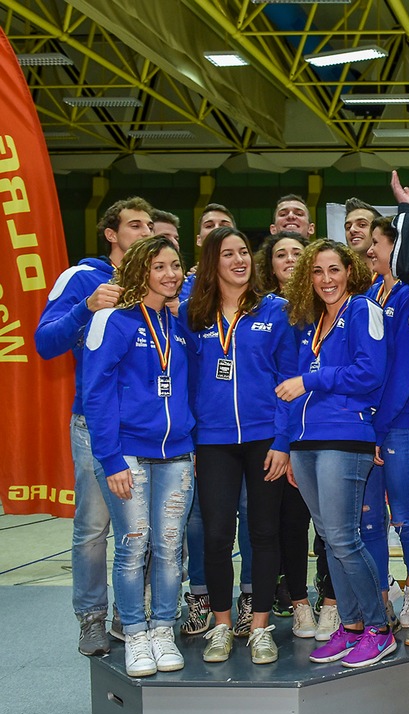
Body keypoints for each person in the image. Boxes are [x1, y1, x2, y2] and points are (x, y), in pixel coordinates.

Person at [36, 196, 154, 654]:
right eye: (135, 225)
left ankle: (132, 615)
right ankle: (91, 618)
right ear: (111, 233)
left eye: (149, 225)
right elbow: (45, 342)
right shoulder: (83, 277)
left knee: (145, 528)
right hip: (94, 424)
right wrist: (86, 307)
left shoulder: (161, 281)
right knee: (93, 527)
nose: (145, 232)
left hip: (149, 427)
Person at [181, 227, 296, 665]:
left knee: (264, 533)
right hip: (212, 441)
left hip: (265, 437)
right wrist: (191, 441)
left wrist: (283, 441)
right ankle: (222, 625)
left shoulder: (277, 311)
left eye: (244, 252)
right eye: (227, 254)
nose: (238, 260)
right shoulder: (194, 315)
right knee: (214, 535)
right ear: (213, 262)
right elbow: (187, 383)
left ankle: (261, 627)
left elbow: (288, 381)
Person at [277, 240, 393, 668]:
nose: (326, 279)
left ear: (349, 272)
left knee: (344, 538)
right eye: (317, 272)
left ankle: (379, 629)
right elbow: (294, 391)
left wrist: (311, 380)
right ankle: (352, 625)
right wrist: (289, 444)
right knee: (329, 539)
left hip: (345, 437)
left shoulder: (363, 310)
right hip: (306, 442)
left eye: (334, 270)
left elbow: (370, 373)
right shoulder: (311, 324)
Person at [82, 234, 194, 677]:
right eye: (161, 266)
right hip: (127, 454)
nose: (171, 274)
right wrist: (109, 459)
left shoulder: (180, 324)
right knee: (132, 548)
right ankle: (135, 631)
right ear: (141, 272)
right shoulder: (113, 321)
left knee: (169, 549)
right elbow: (95, 394)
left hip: (178, 455)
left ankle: (163, 628)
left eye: (176, 265)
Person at [366, 215, 409, 645]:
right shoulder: (371, 293)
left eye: (377, 242)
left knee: (407, 517)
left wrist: (378, 426)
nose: (369, 250)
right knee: (369, 522)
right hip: (369, 425)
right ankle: (380, 605)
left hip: (399, 421)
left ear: (398, 246)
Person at [253, 231, 318, 638]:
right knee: (264, 525)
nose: (290, 259)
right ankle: (264, 600)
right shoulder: (259, 310)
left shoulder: (322, 308)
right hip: (268, 430)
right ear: (269, 263)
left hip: (309, 430)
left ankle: (301, 601)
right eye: (281, 253)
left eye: (298, 252)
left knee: (298, 523)